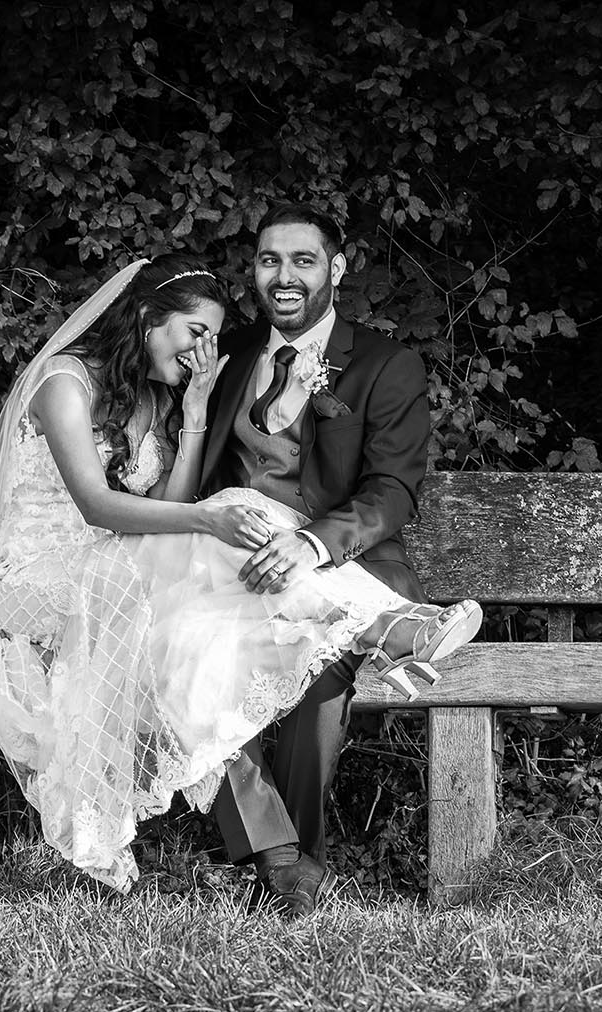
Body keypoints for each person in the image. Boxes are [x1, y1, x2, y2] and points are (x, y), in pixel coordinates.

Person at [0, 251, 480, 896]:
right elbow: (99, 506)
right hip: (42, 573)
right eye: (196, 333)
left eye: (213, 339)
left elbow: (170, 508)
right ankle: (382, 627)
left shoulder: (153, 395)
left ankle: (280, 856)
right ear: (147, 318)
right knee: (223, 518)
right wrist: (206, 522)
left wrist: (196, 412)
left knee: (195, 632)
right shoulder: (66, 381)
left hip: (114, 566)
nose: (205, 352)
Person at [201, 203, 461, 917]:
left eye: (302, 260)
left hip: (338, 573)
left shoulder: (383, 364)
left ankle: (289, 866)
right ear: (253, 271)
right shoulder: (227, 360)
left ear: (337, 270)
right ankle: (282, 861)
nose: (282, 276)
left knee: (316, 676)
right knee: (185, 664)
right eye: (268, 260)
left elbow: (394, 489)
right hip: (230, 575)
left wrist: (310, 544)